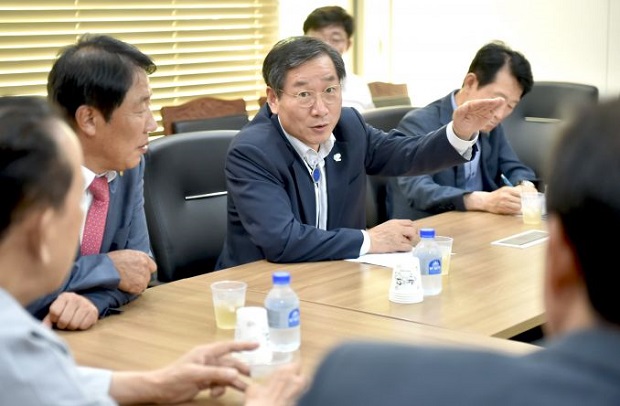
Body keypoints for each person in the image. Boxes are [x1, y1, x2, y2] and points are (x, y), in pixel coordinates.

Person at [296, 99, 620, 406]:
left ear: (558, 257)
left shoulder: (353, 376)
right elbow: (414, 183)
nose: (501, 110)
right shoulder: (421, 120)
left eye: (511, 103)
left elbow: (512, 165)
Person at [0, 96, 305, 405]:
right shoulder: (13, 349)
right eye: (72, 195)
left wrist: (157, 383)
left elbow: (55, 383)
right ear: (43, 229)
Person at [215, 36, 505, 270]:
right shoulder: (252, 151)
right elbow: (283, 241)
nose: (321, 109)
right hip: (260, 288)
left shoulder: (349, 126)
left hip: (334, 275)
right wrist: (369, 240)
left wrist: (459, 132)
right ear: (273, 99)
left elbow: (405, 154)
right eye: (304, 94)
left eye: (330, 90)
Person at [25, 34, 159, 330]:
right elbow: (15, 289)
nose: (152, 124)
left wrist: (94, 302)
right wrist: (107, 267)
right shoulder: (24, 176)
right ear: (88, 119)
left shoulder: (130, 167)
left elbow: (139, 271)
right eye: (140, 109)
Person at [388, 41, 538, 220]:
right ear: (470, 82)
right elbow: (418, 189)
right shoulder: (419, 123)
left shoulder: (491, 124)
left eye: (511, 106)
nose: (500, 114)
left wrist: (525, 186)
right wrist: (483, 201)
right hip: (429, 225)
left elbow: (514, 167)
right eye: (497, 100)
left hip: (477, 222)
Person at [303, 5, 375, 112]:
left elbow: (371, 120)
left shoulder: (358, 86)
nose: (326, 46)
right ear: (303, 42)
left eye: (335, 39)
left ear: (348, 45)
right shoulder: (290, 82)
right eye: (317, 39)